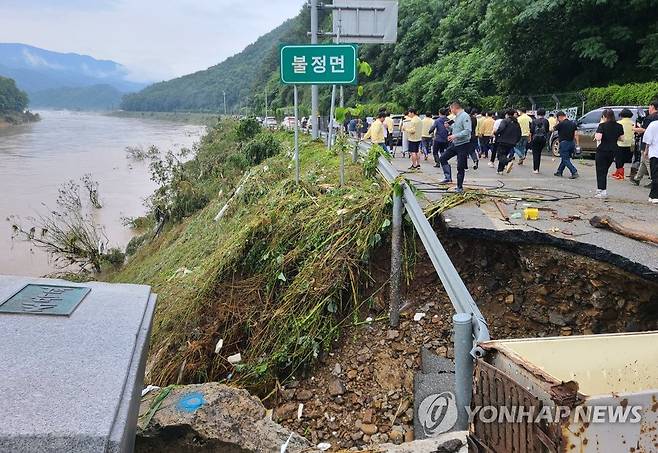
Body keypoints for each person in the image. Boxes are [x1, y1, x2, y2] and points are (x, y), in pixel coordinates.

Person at [439, 101, 472, 192]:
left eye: (451, 109)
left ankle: (459, 187)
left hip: (463, 144)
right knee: (442, 158)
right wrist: (448, 127)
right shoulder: (456, 117)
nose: (450, 111)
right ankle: (447, 177)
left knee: (460, 166)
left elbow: (467, 131)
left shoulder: (465, 116)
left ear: (454, 108)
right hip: (455, 144)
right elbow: (455, 129)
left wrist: (455, 136)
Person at [593, 109, 624, 198]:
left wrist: (597, 133)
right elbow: (622, 139)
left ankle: (601, 190)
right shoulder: (619, 126)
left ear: (604, 117)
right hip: (614, 150)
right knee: (605, 170)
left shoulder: (602, 125)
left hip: (602, 150)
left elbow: (598, 137)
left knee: (600, 170)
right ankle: (602, 189)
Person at [632, 100, 658, 186]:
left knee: (647, 161)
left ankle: (654, 180)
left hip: (647, 142)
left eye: (650, 106)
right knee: (644, 161)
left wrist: (633, 129)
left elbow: (644, 130)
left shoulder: (650, 118)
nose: (649, 108)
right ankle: (637, 178)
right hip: (655, 142)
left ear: (653, 107)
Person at [553, 111, 580, 179]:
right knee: (565, 158)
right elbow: (576, 134)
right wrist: (577, 144)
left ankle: (574, 171)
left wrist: (557, 122)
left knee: (565, 159)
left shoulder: (561, 124)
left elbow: (553, 129)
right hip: (571, 143)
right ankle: (559, 171)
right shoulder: (573, 123)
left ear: (559, 117)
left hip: (564, 143)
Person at [494, 109, 522, 175]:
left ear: (507, 114)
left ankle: (507, 162)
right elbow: (519, 133)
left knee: (500, 156)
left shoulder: (505, 121)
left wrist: (496, 133)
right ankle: (500, 170)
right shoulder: (516, 123)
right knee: (504, 155)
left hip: (503, 140)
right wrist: (516, 141)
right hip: (512, 142)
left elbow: (501, 129)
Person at [613, 109, 634, 180]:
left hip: (620, 143)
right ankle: (617, 172)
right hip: (629, 143)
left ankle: (620, 174)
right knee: (623, 159)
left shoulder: (619, 123)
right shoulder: (633, 123)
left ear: (621, 115)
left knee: (618, 159)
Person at [530, 109, 550, 174]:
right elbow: (547, 130)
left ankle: (535, 169)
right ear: (544, 114)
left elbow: (532, 131)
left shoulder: (534, 121)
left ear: (537, 114)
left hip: (535, 139)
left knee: (535, 154)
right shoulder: (546, 121)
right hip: (543, 139)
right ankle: (537, 168)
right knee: (539, 153)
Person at [643, 119, 658, 203]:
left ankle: (654, 196)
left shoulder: (653, 124)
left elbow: (648, 139)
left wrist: (646, 150)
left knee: (655, 175)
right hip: (655, 152)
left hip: (655, 153)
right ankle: (653, 195)